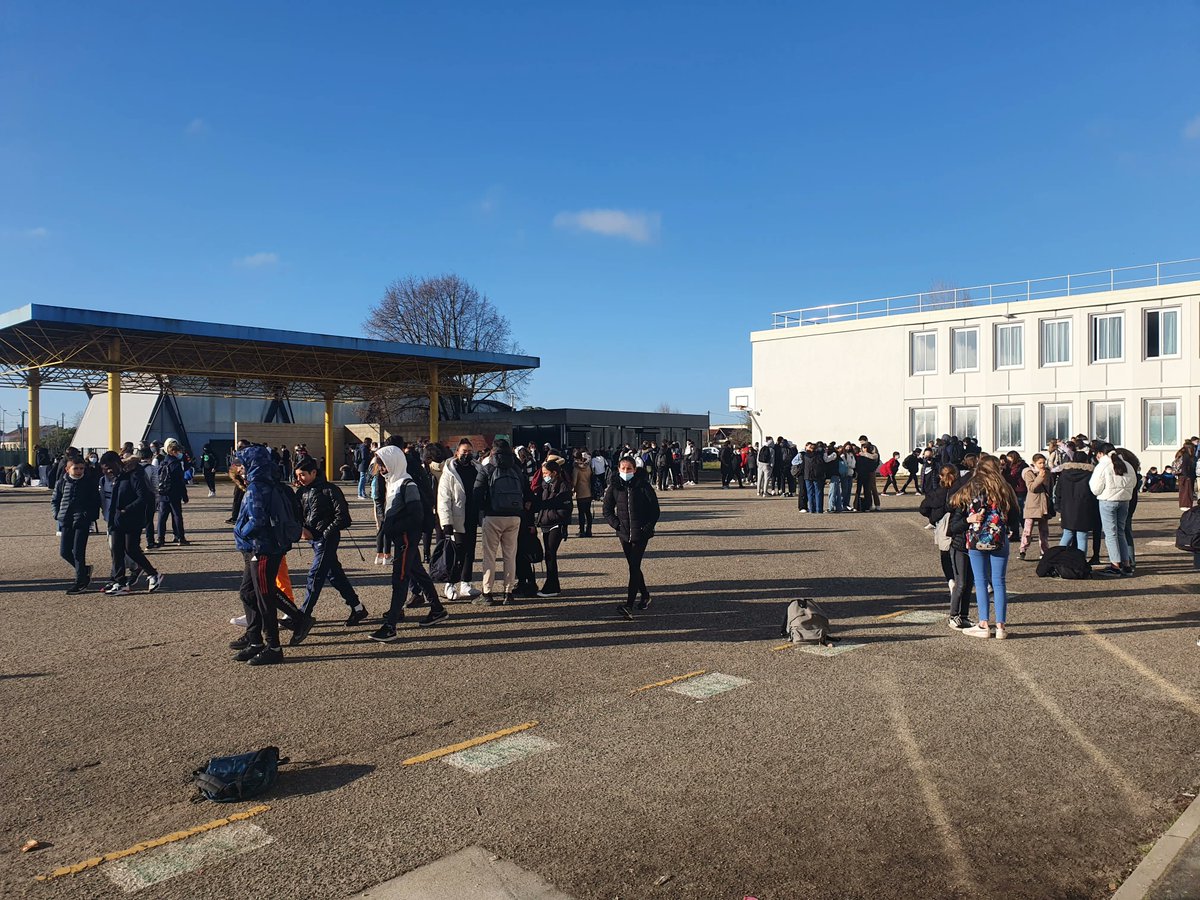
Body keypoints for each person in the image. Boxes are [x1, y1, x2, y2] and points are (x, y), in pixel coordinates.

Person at [228, 444, 312, 665]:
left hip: (262, 547)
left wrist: (240, 532)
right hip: (267, 546)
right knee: (252, 592)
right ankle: (257, 640)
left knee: (264, 595)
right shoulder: (271, 482)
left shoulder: (257, 487)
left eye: (243, 465)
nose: (241, 469)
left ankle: (273, 646)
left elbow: (257, 520)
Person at [369, 445, 447, 642]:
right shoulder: (393, 481)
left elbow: (416, 516)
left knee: (400, 578)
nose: (381, 468)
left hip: (405, 538)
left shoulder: (406, 483)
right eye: (380, 465)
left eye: (383, 464)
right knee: (417, 572)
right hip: (401, 538)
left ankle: (390, 626)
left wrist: (391, 527)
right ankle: (437, 609)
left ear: (392, 463)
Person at [950, 455, 1020, 639]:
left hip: (976, 539)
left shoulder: (970, 489)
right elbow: (1014, 518)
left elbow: (953, 510)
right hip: (999, 539)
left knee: (980, 582)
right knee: (999, 582)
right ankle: (1001, 626)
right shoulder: (1005, 489)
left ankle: (983, 624)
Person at [293, 456, 367, 625]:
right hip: (314, 538)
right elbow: (298, 515)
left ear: (313, 472)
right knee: (334, 575)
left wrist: (325, 533)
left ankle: (304, 614)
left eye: (302, 474)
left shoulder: (330, 489)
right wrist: (301, 529)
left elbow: (344, 517)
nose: (299, 479)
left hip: (327, 538)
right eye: (297, 475)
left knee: (316, 574)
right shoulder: (301, 492)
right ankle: (357, 607)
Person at [603, 455, 660, 619]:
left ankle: (628, 605)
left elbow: (655, 510)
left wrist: (646, 528)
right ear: (618, 469)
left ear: (635, 470)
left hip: (640, 533)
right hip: (624, 533)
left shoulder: (643, 486)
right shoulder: (614, 487)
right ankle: (645, 595)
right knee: (633, 567)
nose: (626, 471)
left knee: (634, 567)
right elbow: (607, 510)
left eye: (629, 469)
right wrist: (617, 525)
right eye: (623, 468)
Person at [100, 451, 163, 595]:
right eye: (105, 469)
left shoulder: (134, 473)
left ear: (117, 462)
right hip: (116, 519)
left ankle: (153, 574)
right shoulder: (116, 476)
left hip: (131, 518)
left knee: (131, 549)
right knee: (116, 549)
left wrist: (126, 510)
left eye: (110, 467)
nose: (108, 471)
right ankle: (120, 582)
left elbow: (144, 496)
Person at [475, 439, 529, 606]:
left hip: (493, 516)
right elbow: (526, 491)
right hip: (514, 516)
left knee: (489, 556)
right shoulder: (516, 468)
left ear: (493, 451)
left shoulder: (488, 469)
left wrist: (483, 511)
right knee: (510, 555)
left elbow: (477, 493)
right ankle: (508, 591)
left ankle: (487, 593)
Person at [436, 438, 484, 601]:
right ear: (457, 452)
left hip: (473, 515)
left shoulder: (478, 468)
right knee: (456, 553)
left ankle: (466, 582)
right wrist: (446, 523)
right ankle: (450, 584)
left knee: (470, 551)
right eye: (464, 451)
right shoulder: (449, 472)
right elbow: (444, 499)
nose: (467, 455)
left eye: (470, 452)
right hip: (457, 517)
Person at [51, 455, 101, 594]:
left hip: (82, 521)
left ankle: (80, 581)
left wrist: (89, 516)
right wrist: (56, 514)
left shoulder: (89, 483)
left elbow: (95, 502)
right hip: (66, 520)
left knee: (79, 551)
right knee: (65, 551)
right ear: (67, 469)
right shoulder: (61, 483)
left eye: (81, 468)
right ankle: (84, 570)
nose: (79, 471)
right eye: (76, 468)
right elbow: (55, 500)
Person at [1089, 443, 1137, 577]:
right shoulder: (1127, 464)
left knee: (1111, 534)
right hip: (1125, 501)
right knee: (1121, 532)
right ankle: (1126, 564)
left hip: (1107, 501)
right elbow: (1133, 483)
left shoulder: (1102, 466)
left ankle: (1115, 565)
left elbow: (1095, 488)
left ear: (1100, 453)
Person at [535, 459, 573, 597]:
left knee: (550, 554)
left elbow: (566, 507)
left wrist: (553, 515)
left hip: (556, 524)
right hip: (545, 523)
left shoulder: (563, 486)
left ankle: (552, 586)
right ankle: (552, 584)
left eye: (546, 473)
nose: (544, 475)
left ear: (554, 473)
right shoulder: (545, 485)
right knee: (549, 555)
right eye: (543, 473)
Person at [1055, 451, 1099, 553]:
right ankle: (1081, 561)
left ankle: (1059, 558)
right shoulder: (1090, 474)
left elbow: (1058, 491)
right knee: (1082, 536)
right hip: (1084, 507)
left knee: (1067, 533)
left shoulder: (1064, 473)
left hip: (1067, 507)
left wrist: (1058, 505)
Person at [153, 438, 189, 547]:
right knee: (177, 515)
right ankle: (180, 537)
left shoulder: (162, 462)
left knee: (162, 517)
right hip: (174, 493)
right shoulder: (176, 464)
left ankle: (161, 538)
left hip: (163, 493)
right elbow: (180, 481)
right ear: (174, 451)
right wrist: (184, 495)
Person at [1018, 453, 1051, 560]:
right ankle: (1023, 549)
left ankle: (1044, 551)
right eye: (1040, 463)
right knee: (1028, 529)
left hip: (1043, 504)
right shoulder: (1029, 473)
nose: (1042, 465)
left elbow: (1050, 486)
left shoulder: (1048, 472)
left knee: (1044, 531)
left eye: (1043, 463)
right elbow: (1031, 488)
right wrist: (1040, 477)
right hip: (1032, 504)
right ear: (1034, 463)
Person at [573, 450, 594, 536]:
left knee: (581, 512)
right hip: (588, 491)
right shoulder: (588, 467)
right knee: (588, 512)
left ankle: (581, 531)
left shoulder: (576, 468)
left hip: (580, 492)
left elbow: (574, 482)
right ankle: (589, 530)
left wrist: (573, 489)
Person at [1175, 443, 1196, 512]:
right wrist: (1187, 476)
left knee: (1183, 491)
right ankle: (1186, 505)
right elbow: (1184, 467)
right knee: (1187, 492)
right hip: (1186, 476)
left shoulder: (1180, 454)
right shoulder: (1186, 456)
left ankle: (1183, 505)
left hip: (1181, 476)